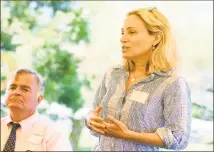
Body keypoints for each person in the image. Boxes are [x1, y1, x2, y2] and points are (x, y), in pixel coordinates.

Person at [85, 7, 192, 151]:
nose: (123, 38)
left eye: (132, 32)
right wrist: (90, 119)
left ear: (156, 38)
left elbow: (179, 138)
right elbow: (94, 111)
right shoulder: (112, 74)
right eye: (122, 32)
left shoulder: (172, 83)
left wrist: (128, 135)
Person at [1, 68, 73, 151]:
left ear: (38, 99)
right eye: (12, 87)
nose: (16, 92)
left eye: (25, 89)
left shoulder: (53, 134)